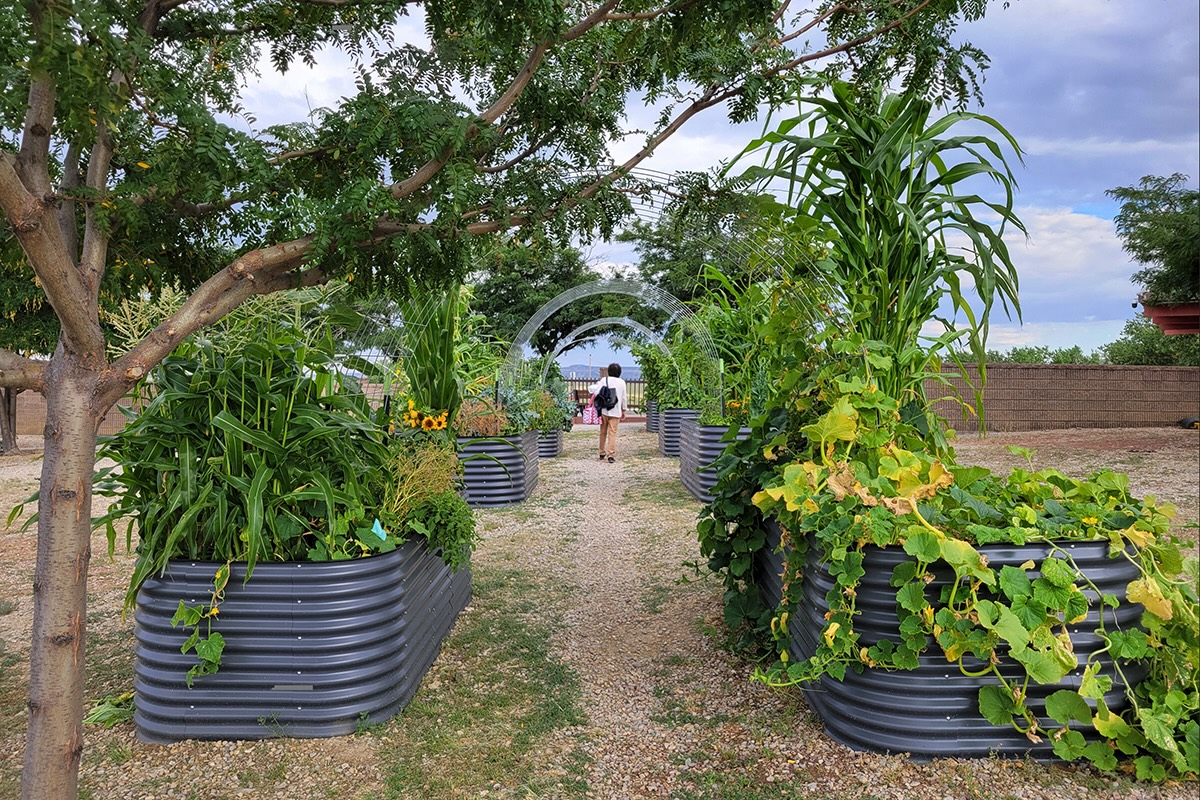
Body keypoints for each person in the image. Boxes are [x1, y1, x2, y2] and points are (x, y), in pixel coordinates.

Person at [588, 363, 628, 462]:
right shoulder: (622, 382)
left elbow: (597, 392)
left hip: (604, 410)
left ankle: (601, 452)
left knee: (602, 432)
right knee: (612, 433)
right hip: (616, 410)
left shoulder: (604, 380)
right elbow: (624, 398)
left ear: (609, 372)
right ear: (619, 372)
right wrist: (624, 410)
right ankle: (611, 454)